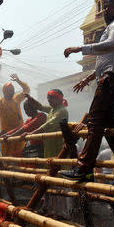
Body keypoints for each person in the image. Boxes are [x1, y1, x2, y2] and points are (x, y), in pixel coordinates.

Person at [60, 0, 114, 180]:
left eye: (108, 7)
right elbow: (105, 61)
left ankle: (83, 168)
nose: (105, 10)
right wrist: (88, 78)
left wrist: (79, 48)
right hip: (112, 79)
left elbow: (110, 45)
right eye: (104, 7)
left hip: (111, 80)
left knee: (95, 122)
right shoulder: (112, 27)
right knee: (107, 124)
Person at [24, 90, 70, 219]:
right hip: (49, 150)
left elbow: (48, 125)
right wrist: (31, 99)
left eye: (52, 98)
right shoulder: (52, 109)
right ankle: (48, 208)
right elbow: (40, 107)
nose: (49, 101)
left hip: (58, 150)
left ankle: (62, 213)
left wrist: (33, 133)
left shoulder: (61, 111)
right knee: (48, 181)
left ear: (59, 99)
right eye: (48, 98)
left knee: (59, 183)